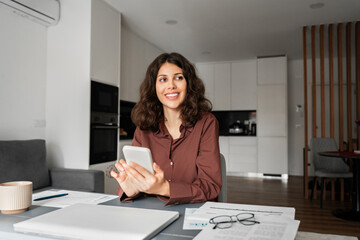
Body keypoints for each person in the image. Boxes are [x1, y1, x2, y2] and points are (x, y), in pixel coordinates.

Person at [111, 52, 221, 205]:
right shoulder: (143, 128)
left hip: (194, 211)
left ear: (189, 84)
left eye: (178, 78)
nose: (171, 85)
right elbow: (136, 182)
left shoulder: (206, 123)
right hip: (153, 213)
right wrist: (131, 189)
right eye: (163, 79)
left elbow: (210, 186)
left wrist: (164, 188)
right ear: (154, 87)